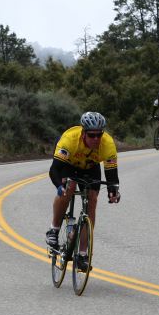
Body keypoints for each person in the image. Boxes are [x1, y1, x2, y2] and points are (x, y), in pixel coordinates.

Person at [46, 111, 121, 271]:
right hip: (68, 165)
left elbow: (112, 174)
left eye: (98, 135)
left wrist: (113, 191)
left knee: (92, 201)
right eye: (92, 135)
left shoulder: (107, 144)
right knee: (69, 188)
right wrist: (59, 185)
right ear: (83, 133)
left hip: (90, 167)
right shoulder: (70, 139)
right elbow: (54, 170)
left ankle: (82, 254)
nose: (96, 139)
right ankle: (54, 229)